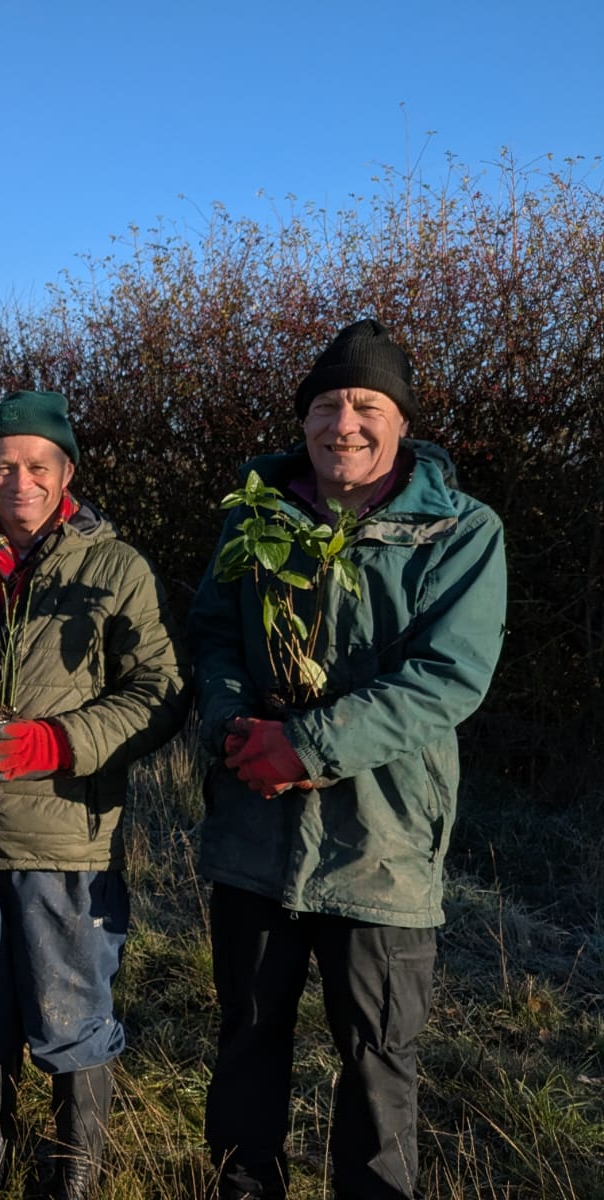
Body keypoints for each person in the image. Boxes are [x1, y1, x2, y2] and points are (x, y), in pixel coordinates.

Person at [190, 319, 507, 1199]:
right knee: (247, 1037)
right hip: (256, 832)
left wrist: (311, 745)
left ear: (402, 420)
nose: (345, 423)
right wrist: (230, 727)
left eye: (367, 404)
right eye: (327, 405)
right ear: (304, 420)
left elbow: (449, 676)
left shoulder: (459, 531)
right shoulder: (258, 515)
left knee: (376, 1057)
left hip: (382, 842)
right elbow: (212, 635)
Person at [0, 390, 187, 1200]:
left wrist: (60, 743)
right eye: (3, 464)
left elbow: (160, 690)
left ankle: (74, 1168)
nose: (19, 479)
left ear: (66, 474)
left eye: (37, 465)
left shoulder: (114, 568)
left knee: (72, 1006)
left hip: (67, 835)